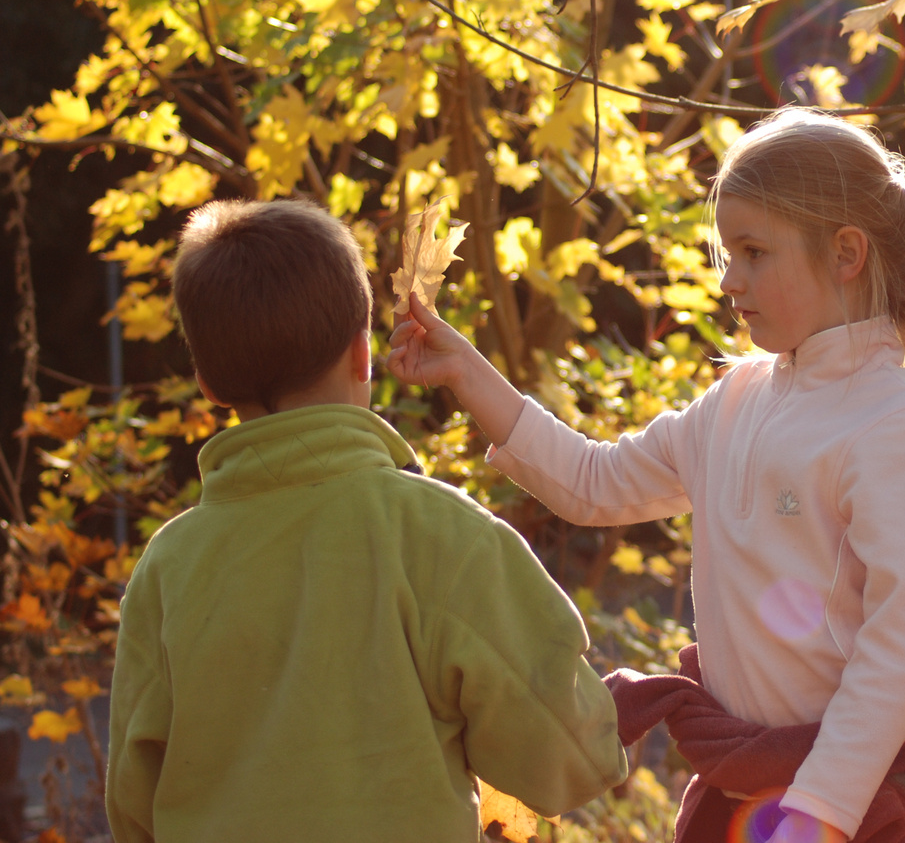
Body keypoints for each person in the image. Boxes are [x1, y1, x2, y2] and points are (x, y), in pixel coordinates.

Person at [389, 109, 905, 842]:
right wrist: (464, 371)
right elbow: (592, 483)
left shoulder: (899, 430)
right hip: (747, 788)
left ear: (846, 253)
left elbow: (899, 653)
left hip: (858, 802)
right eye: (728, 252)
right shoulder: (735, 399)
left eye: (754, 251)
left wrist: (820, 814)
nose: (729, 279)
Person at [106, 199, 628, 843]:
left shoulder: (166, 568)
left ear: (208, 384)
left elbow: (133, 806)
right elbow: (567, 762)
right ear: (364, 355)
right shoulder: (443, 537)